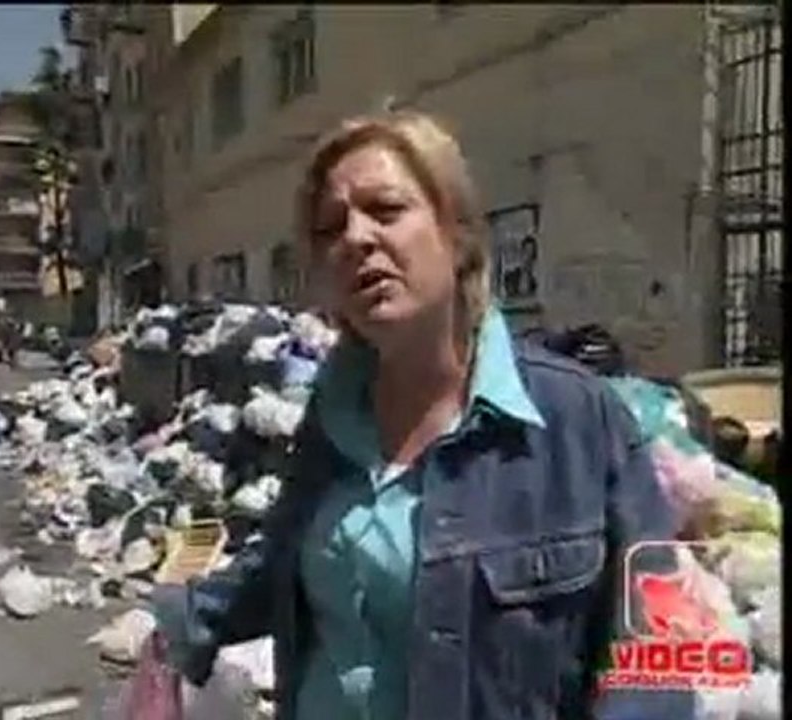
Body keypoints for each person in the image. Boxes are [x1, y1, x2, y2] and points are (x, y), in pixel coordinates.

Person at [151, 111, 696, 719]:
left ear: (457, 234)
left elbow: (659, 653)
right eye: (330, 228)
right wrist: (178, 624)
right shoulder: (332, 419)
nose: (356, 239)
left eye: (385, 210)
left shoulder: (576, 421)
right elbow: (285, 559)